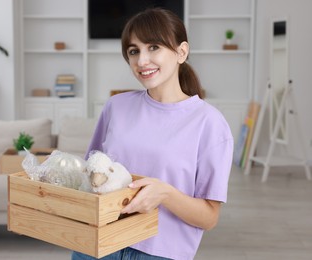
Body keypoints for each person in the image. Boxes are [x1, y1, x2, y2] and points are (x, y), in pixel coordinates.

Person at [72, 7, 233, 260]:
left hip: (159, 253)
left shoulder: (209, 122)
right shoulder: (117, 106)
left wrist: (165, 194)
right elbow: (90, 174)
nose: (141, 61)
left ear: (182, 52)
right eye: (134, 51)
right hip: (97, 244)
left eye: (154, 47)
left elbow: (209, 217)